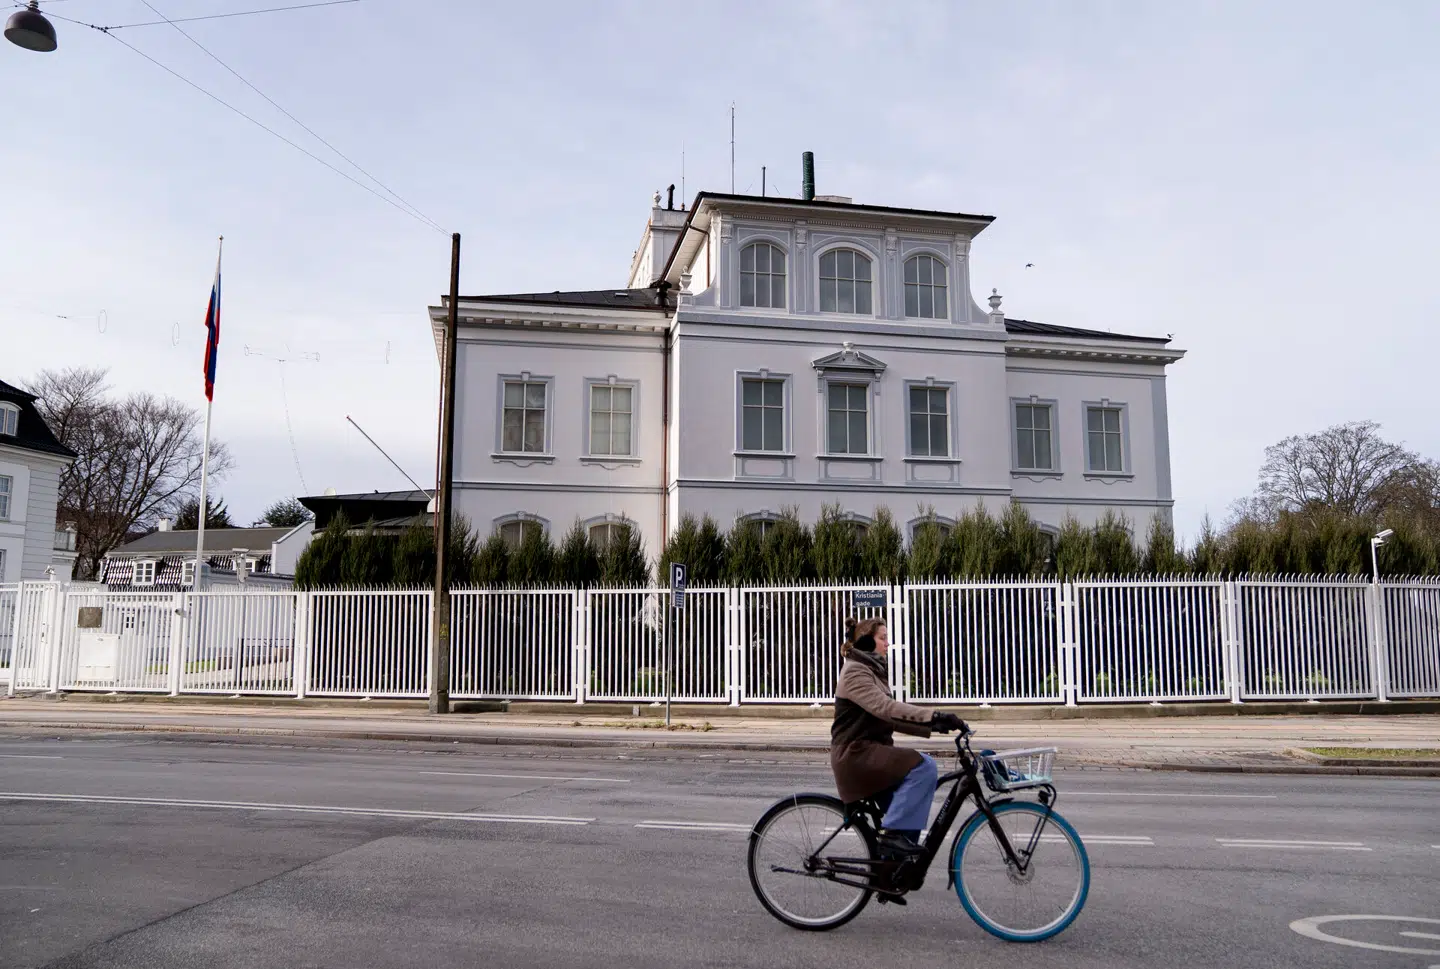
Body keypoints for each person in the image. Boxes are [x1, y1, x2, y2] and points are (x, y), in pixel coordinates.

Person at [831, 616, 966, 860]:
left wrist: (935, 725)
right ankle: (892, 838)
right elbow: (887, 708)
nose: (888, 643)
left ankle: (892, 870)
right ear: (865, 642)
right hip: (856, 755)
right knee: (924, 767)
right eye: (883, 638)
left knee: (912, 803)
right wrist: (933, 716)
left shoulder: (870, 669)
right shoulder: (855, 673)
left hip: (870, 753)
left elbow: (890, 718)